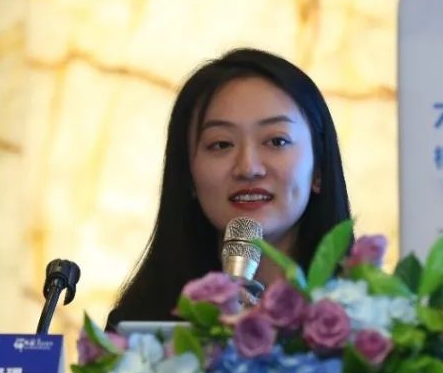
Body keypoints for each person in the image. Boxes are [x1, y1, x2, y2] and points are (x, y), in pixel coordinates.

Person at [108, 48, 353, 329]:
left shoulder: (372, 323)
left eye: (276, 141)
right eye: (221, 144)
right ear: (188, 173)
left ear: (318, 168)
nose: (248, 168)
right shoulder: (136, 332)